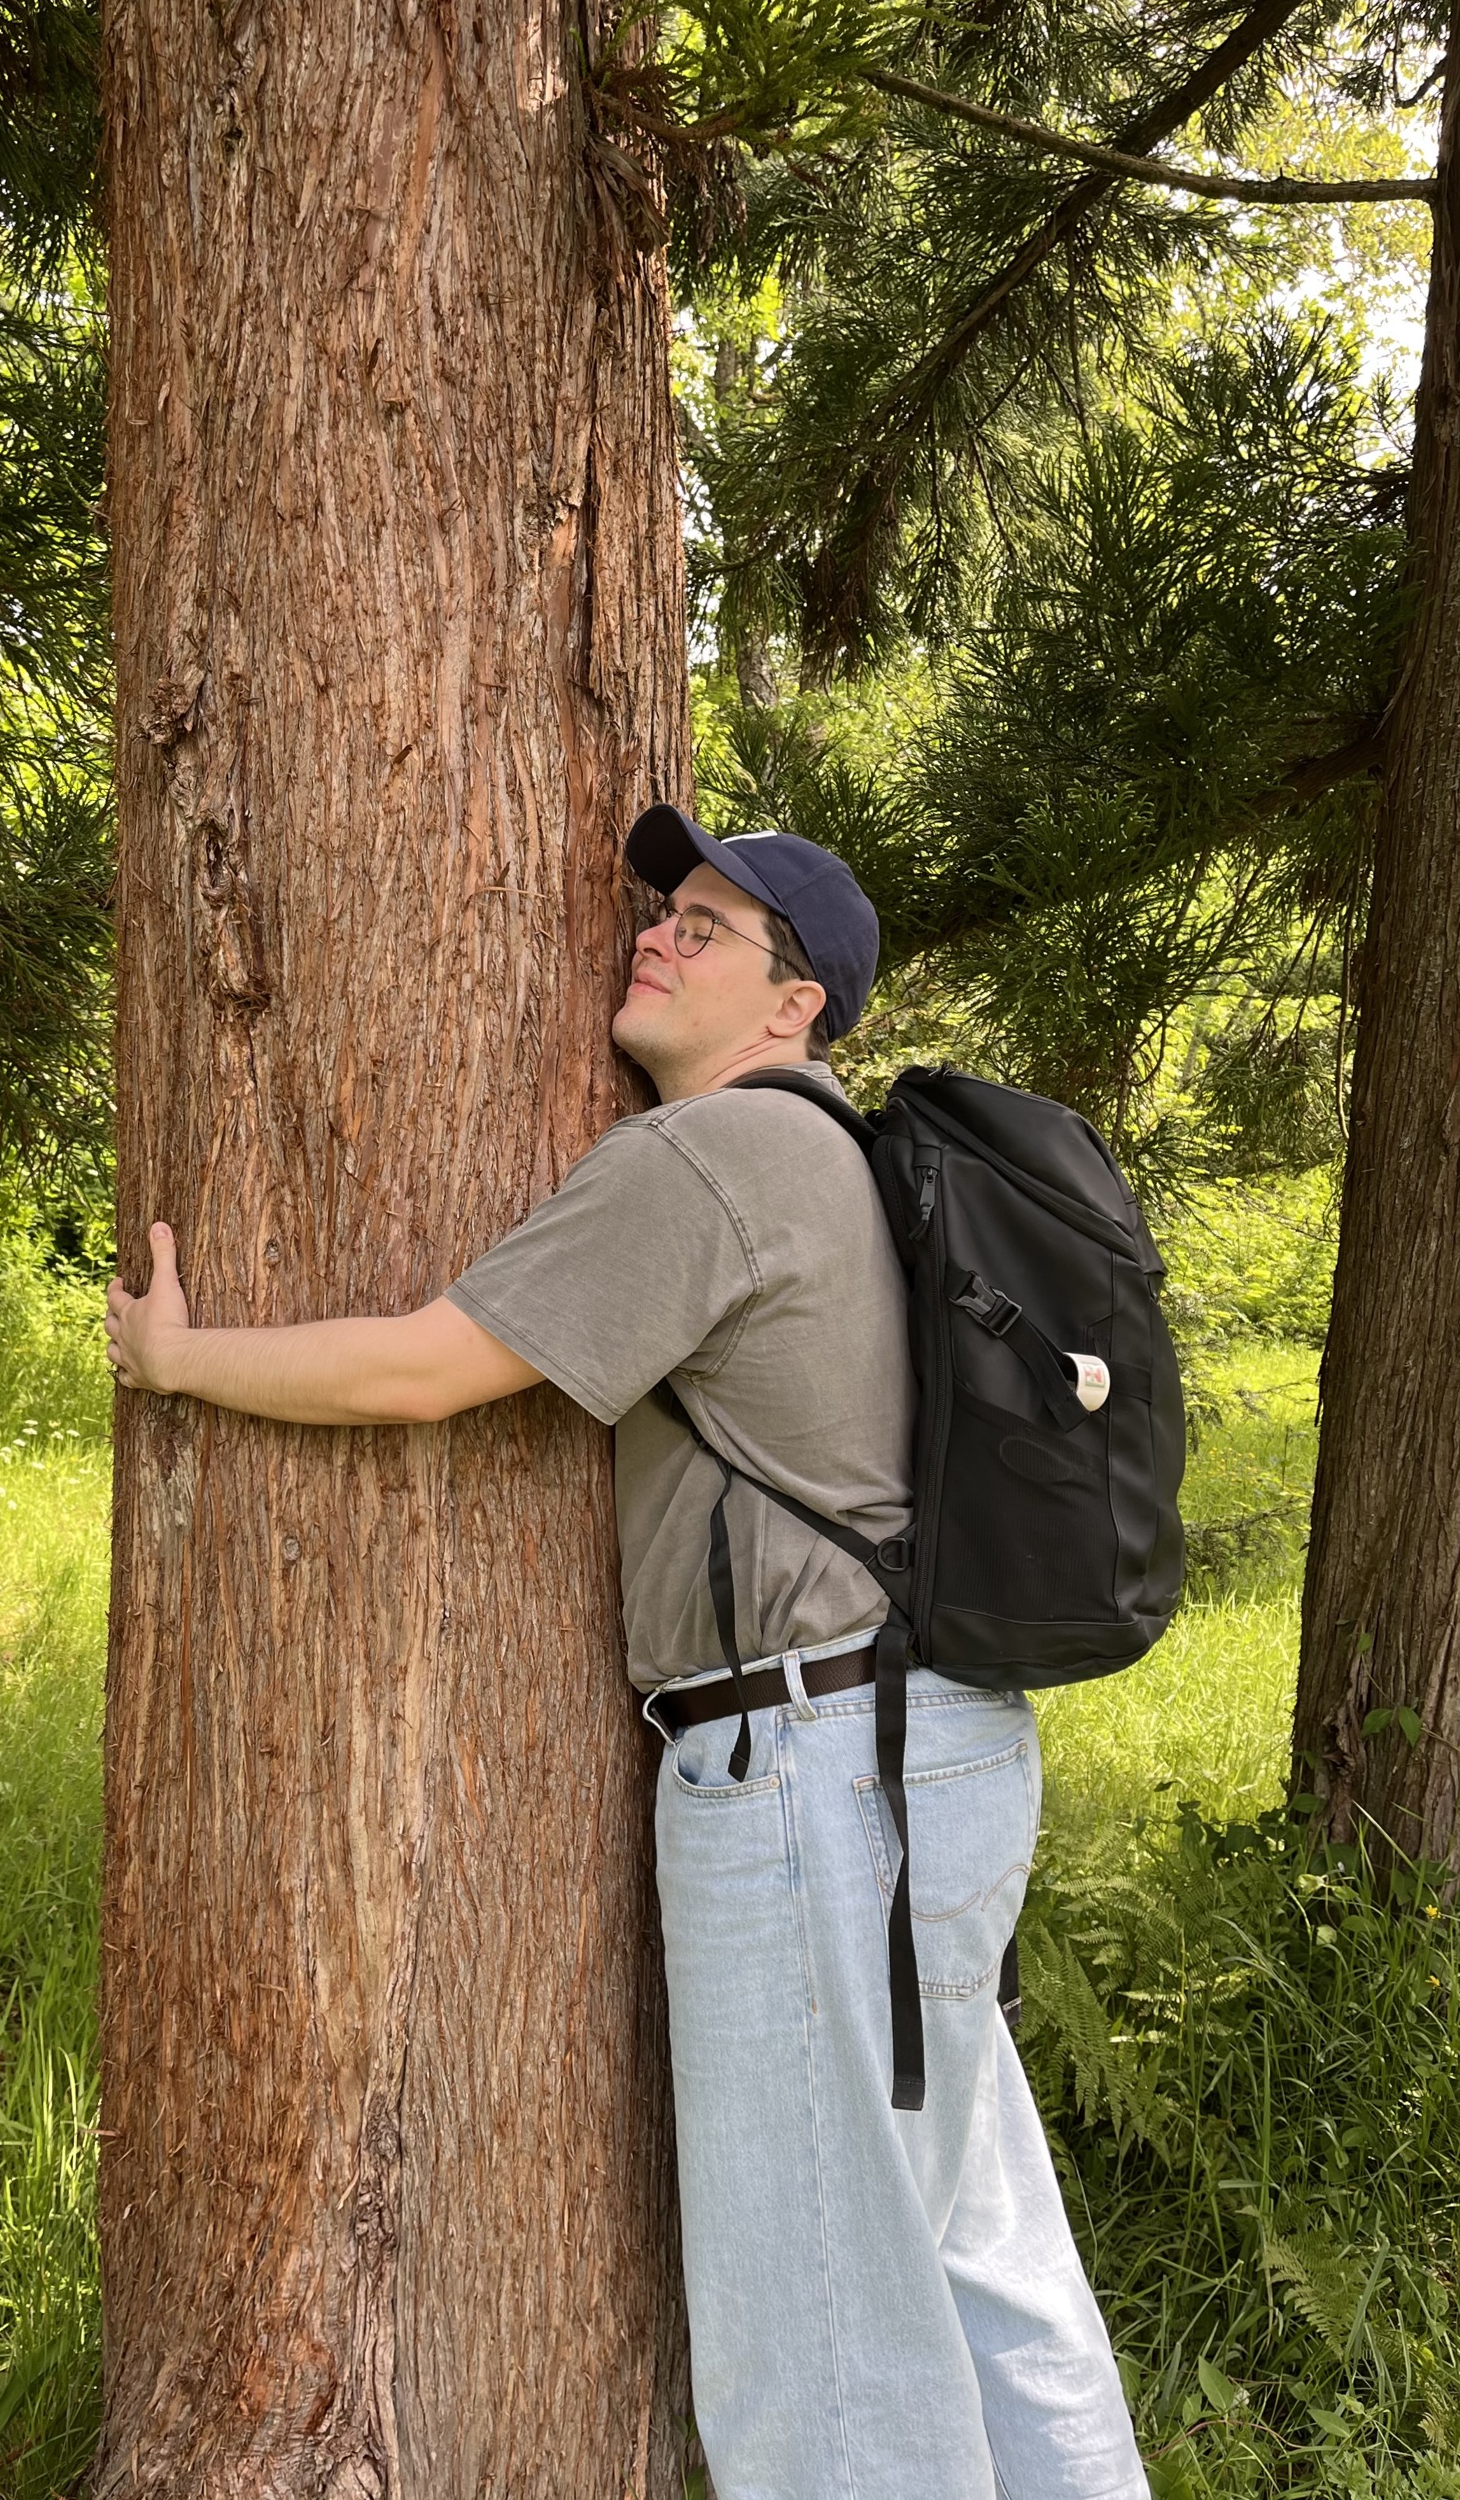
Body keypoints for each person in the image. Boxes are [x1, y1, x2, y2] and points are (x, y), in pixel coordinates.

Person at [104, 804, 1149, 2500]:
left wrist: (182, 1359)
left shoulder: (710, 1157)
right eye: (666, 905)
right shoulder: (846, 1165)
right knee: (975, 2256)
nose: (659, 931)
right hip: (934, 1756)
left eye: (711, 927)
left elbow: (424, 1370)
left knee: (824, 2346)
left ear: (794, 1004)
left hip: (821, 1781)